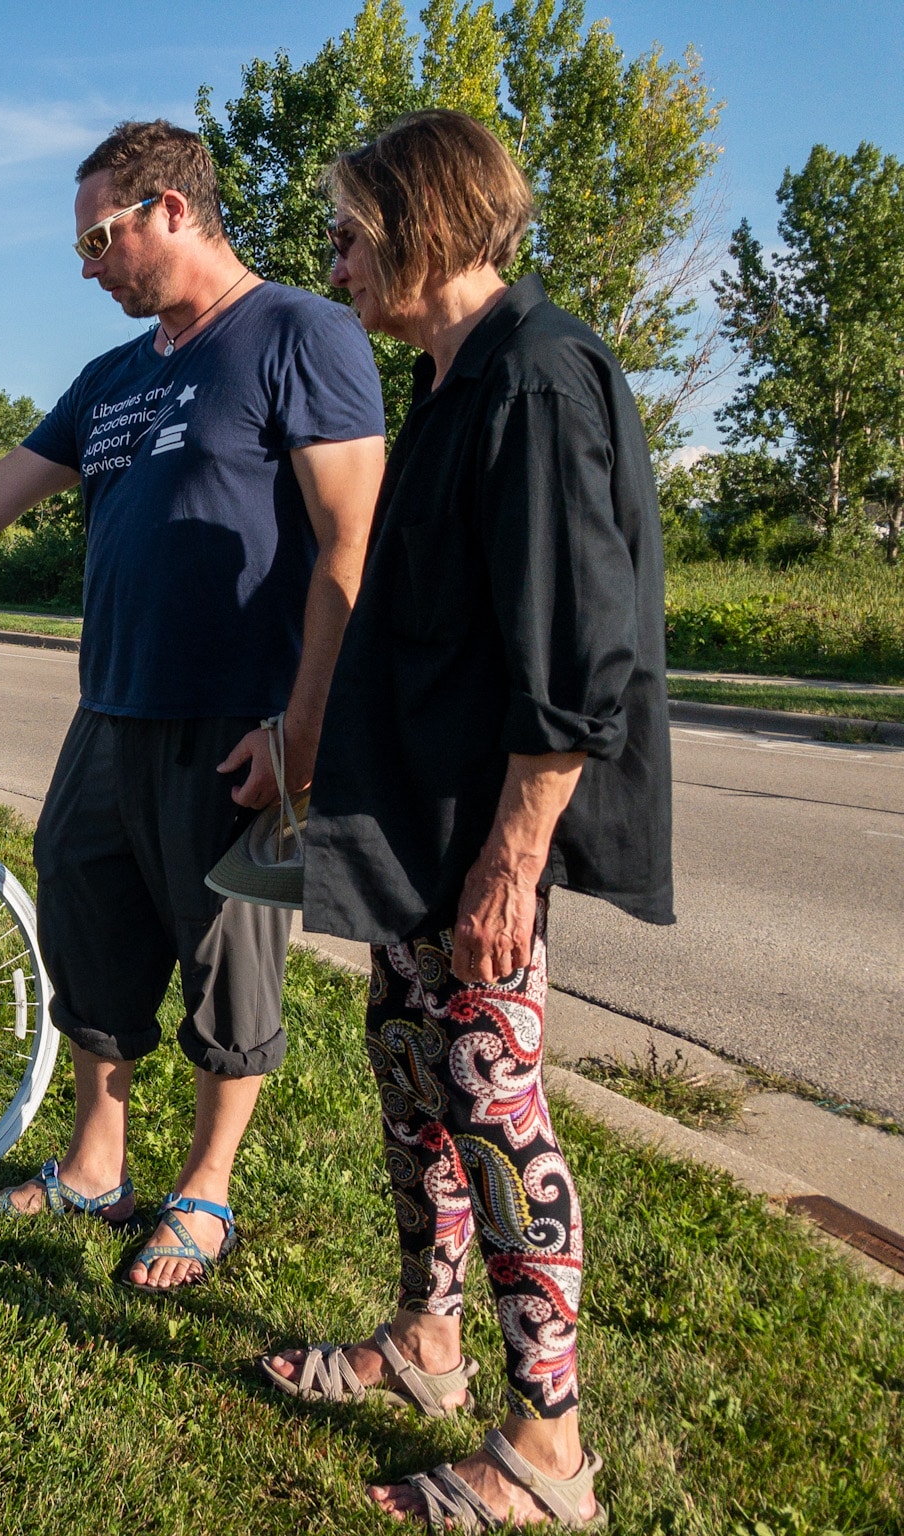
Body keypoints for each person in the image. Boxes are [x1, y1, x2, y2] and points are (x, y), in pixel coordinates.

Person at [0, 119, 386, 1292]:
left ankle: (203, 1191)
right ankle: (95, 1166)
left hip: (236, 720)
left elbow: (351, 544)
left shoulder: (299, 333)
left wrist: (300, 731)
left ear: (169, 210)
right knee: (87, 919)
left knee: (225, 961)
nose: (86, 263)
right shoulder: (115, 376)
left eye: (97, 238)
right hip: (112, 712)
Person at [261, 110, 673, 1528]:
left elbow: (575, 658)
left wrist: (512, 861)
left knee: (496, 1110)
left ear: (424, 217)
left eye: (351, 225)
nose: (334, 254)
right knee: (414, 1090)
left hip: (478, 848)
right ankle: (426, 1343)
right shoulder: (453, 383)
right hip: (409, 841)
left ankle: (548, 1457)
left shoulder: (539, 381)